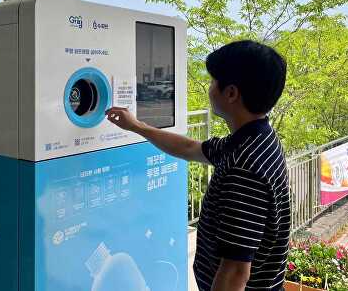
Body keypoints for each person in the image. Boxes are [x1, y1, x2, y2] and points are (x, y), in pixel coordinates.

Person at [105, 40, 290, 291]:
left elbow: (235, 272)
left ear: (231, 93)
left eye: (213, 81)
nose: (210, 89)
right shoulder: (255, 138)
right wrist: (136, 126)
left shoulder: (244, 168)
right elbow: (189, 148)